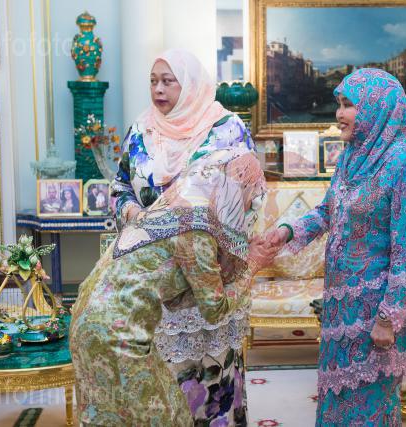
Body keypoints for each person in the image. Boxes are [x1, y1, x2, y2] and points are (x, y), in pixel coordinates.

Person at [78, 48, 272, 426]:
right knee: (157, 381)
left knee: (212, 375)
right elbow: (120, 188)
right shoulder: (142, 129)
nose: (158, 89)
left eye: (168, 81)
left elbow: (247, 194)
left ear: (192, 84)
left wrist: (221, 251)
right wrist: (138, 217)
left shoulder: (226, 127)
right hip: (156, 275)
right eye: (153, 81)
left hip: (208, 269)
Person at [263, 69, 406, 426]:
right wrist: (287, 231)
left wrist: (388, 318)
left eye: (348, 105)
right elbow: (328, 211)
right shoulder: (352, 155)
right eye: (338, 104)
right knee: (337, 397)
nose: (339, 114)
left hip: (376, 309)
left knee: (369, 404)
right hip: (341, 303)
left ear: (376, 106)